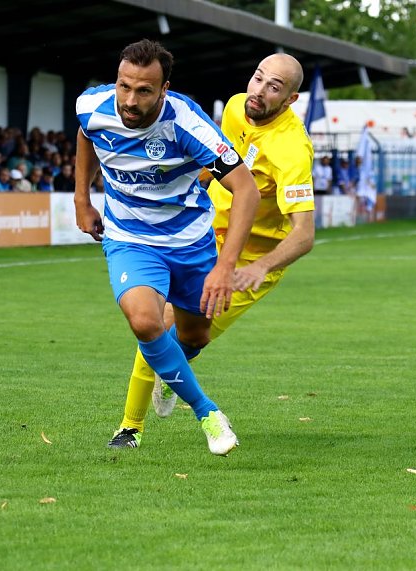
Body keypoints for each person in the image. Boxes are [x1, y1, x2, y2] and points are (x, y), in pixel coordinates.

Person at [113, 52, 316, 444]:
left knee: (186, 338)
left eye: (274, 87)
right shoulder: (237, 108)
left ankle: (171, 377)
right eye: (257, 77)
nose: (258, 91)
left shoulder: (293, 150)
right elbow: (216, 164)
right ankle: (130, 428)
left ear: (290, 99)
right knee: (154, 324)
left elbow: (304, 233)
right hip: (201, 239)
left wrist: (260, 268)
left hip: (249, 264)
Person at [74, 39, 260, 456]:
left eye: (144, 91)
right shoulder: (92, 105)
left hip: (190, 242)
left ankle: (169, 370)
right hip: (131, 239)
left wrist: (225, 267)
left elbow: (246, 191)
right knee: (144, 321)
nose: (130, 100)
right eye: (124, 86)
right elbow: (86, 135)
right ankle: (209, 414)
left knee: (196, 335)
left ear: (164, 89)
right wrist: (81, 199)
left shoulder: (188, 125)